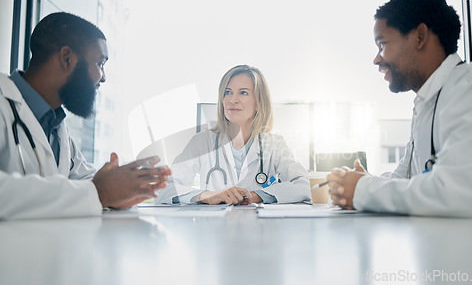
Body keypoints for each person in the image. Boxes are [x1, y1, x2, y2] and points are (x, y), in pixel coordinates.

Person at [328, 0, 472, 219]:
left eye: (383, 44)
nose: (376, 59)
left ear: (419, 36)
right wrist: (359, 182)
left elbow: (461, 195)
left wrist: (362, 189)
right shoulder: (429, 101)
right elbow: (406, 178)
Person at [0, 12, 171, 220]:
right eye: (100, 63)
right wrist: (100, 193)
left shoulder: (55, 125)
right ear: (67, 58)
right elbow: (92, 191)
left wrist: (124, 185)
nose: (104, 77)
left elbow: (84, 180)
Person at [156, 65, 310, 205]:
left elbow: (304, 185)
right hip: (214, 230)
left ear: (259, 102)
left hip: (260, 229)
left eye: (243, 93)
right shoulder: (202, 142)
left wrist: (256, 196)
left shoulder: (274, 144)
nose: (232, 100)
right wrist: (206, 196)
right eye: (227, 92)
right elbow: (163, 188)